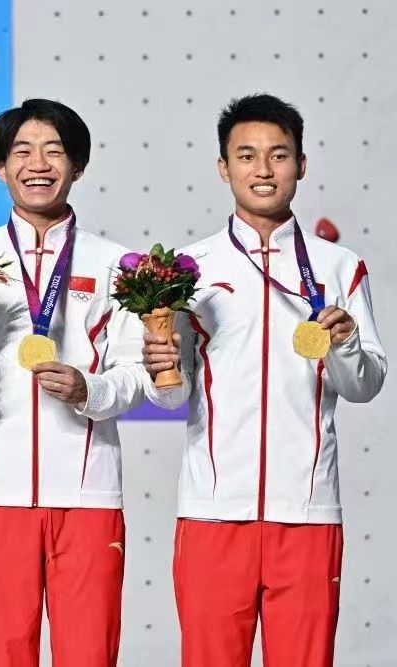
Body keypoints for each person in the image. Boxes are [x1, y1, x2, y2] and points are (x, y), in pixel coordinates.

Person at [142, 93, 387, 666]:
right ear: (223, 167)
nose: (263, 169)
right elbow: (170, 395)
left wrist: (346, 342)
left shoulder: (339, 266)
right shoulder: (186, 269)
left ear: (301, 164)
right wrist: (159, 368)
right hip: (212, 512)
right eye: (246, 155)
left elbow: (365, 384)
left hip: (306, 512)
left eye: (278, 155)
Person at [0, 99, 149, 666]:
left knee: (89, 654)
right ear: (0, 167)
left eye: (55, 151)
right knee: (2, 655)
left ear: (78, 165)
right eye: (22, 152)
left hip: (88, 495)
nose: (38, 164)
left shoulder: (118, 265)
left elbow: (137, 375)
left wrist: (88, 390)